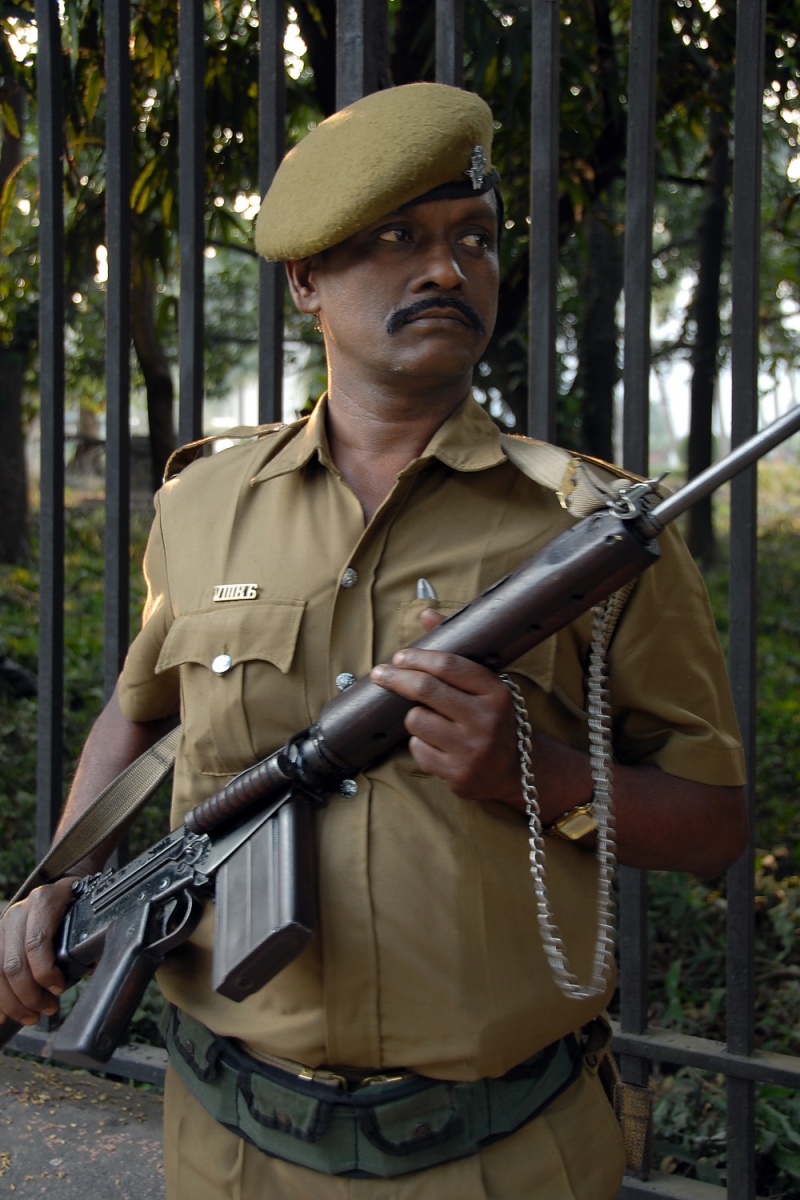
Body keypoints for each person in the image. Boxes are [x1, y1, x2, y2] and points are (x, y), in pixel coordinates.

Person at [0, 83, 747, 1199]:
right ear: (304, 280)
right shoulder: (202, 503)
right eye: (397, 240)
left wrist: (527, 773)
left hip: (501, 1153)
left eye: (472, 241)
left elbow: (713, 824)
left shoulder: (594, 530)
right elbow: (142, 708)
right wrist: (60, 877)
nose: (446, 271)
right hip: (226, 1146)